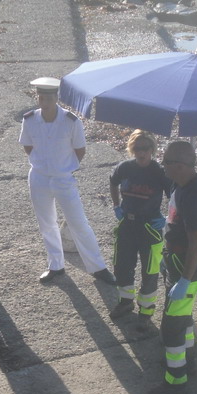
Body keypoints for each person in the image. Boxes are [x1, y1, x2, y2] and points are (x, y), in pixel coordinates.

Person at [19, 76, 115, 285]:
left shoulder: (71, 121)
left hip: (63, 178)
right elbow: (27, 146)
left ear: (56, 98)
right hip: (39, 177)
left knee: (78, 223)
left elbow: (80, 150)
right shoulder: (30, 119)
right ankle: (56, 265)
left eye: (48, 99)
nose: (44, 103)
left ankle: (98, 267)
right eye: (41, 98)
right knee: (47, 223)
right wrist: (41, 163)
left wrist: (64, 167)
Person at [149, 141, 197, 394]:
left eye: (166, 162)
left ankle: (176, 381)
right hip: (174, 260)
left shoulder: (196, 197)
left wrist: (185, 280)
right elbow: (175, 218)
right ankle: (188, 358)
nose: (162, 166)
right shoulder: (179, 185)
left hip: (187, 268)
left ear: (181, 165)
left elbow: (196, 244)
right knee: (183, 317)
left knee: (171, 328)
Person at [108, 130, 171, 330]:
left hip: (150, 227)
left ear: (152, 149)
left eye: (145, 148)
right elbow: (113, 182)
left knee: (150, 271)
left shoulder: (159, 172)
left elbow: (175, 196)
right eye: (137, 148)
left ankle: (146, 311)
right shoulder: (125, 168)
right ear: (131, 149)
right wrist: (116, 205)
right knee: (122, 265)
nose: (141, 152)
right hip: (127, 224)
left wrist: (167, 218)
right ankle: (126, 302)